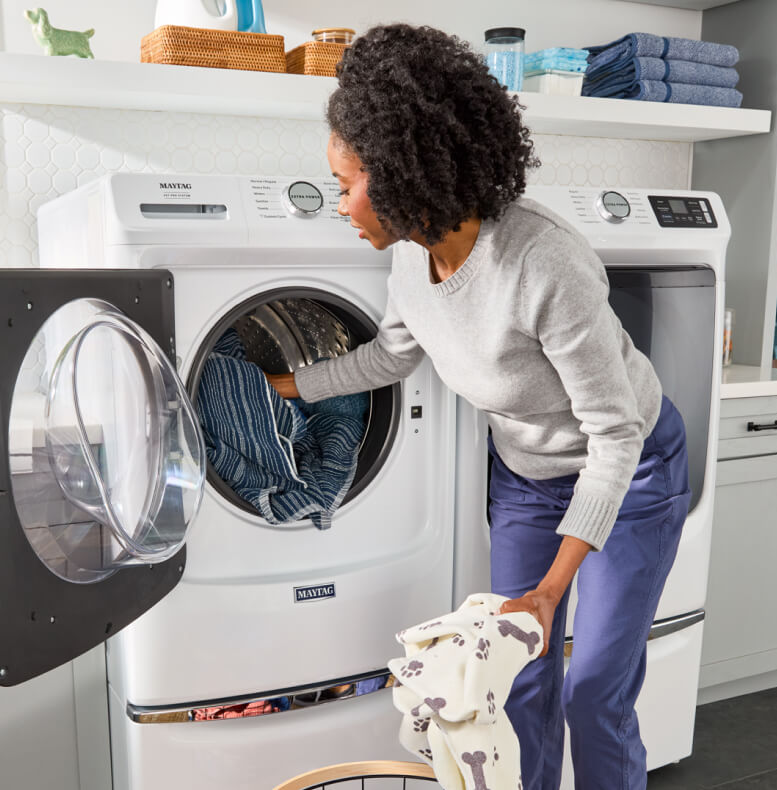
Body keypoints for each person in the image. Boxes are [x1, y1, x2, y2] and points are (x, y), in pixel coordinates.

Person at [263, 24, 691, 790]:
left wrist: (549, 594)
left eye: (346, 183)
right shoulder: (409, 258)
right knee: (514, 680)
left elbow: (615, 437)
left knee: (593, 692)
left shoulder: (541, 262)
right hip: (527, 479)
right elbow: (391, 356)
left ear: (401, 175)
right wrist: (284, 386)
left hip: (631, 474)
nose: (339, 204)